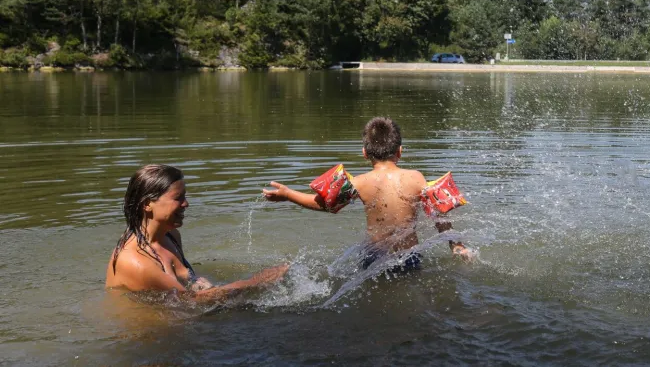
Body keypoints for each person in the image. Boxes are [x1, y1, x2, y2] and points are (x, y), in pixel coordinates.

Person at [263, 117, 472, 275]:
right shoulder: (416, 178)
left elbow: (325, 204)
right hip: (409, 256)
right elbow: (438, 212)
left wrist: (288, 194)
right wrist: (456, 245)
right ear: (400, 151)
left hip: (374, 255)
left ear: (364, 153)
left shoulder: (360, 182)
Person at [105, 164, 288, 300]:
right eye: (178, 198)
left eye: (184, 196)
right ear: (147, 204)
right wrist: (257, 281)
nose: (186, 204)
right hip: (147, 334)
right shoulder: (136, 262)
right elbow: (192, 302)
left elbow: (187, 290)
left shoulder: (171, 235)